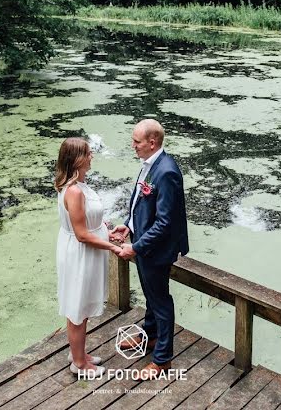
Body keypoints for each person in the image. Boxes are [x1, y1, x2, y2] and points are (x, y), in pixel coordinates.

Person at [110, 119, 189, 380]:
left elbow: (166, 223)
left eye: (137, 141)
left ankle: (162, 359)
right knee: (151, 297)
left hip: (156, 249)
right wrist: (128, 227)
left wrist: (137, 247)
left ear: (152, 142)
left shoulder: (166, 172)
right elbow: (141, 204)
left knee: (161, 302)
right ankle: (150, 337)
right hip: (143, 244)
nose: (133, 145)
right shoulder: (149, 166)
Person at [55, 137, 122, 379]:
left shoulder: (80, 185)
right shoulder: (73, 191)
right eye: (88, 153)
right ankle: (79, 364)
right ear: (77, 159)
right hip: (80, 255)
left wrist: (106, 228)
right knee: (77, 308)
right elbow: (82, 235)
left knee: (80, 305)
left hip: (86, 253)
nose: (92, 156)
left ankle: (79, 353)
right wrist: (113, 248)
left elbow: (88, 221)